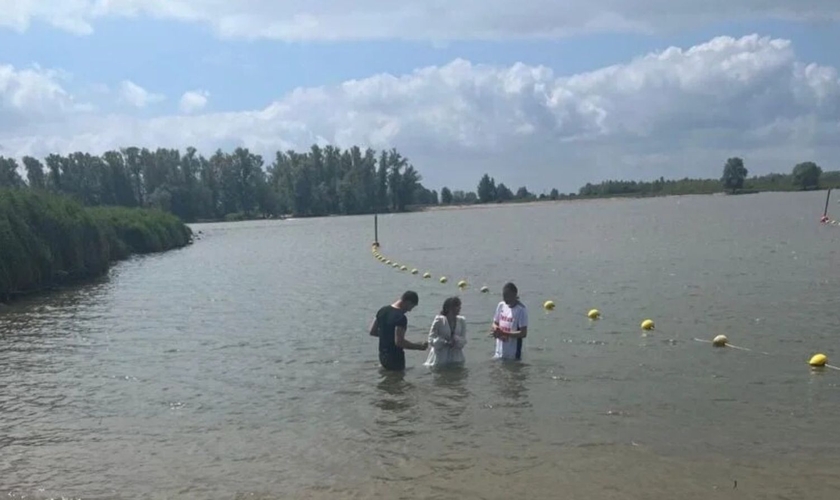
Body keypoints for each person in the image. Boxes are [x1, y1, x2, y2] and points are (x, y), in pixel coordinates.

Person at [369, 290, 428, 371]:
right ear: (407, 302)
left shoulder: (382, 310)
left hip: (382, 355)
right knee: (398, 380)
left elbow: (372, 331)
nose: (410, 310)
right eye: (411, 307)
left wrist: (387, 335)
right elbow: (399, 342)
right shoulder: (400, 317)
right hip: (395, 357)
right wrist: (419, 347)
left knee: (388, 379)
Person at [423, 296, 467, 368]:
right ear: (449, 308)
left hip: (456, 357)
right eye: (456, 306)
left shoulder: (462, 321)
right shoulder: (439, 320)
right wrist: (444, 342)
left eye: (459, 306)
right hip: (440, 356)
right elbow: (430, 339)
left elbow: (464, 340)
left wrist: (456, 340)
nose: (459, 308)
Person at [490, 282, 528, 360]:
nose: (504, 299)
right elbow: (494, 323)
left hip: (513, 355)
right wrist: (495, 329)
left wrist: (504, 333)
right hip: (498, 352)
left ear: (514, 295)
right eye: (503, 296)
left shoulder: (521, 310)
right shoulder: (501, 305)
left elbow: (523, 333)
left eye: (507, 296)